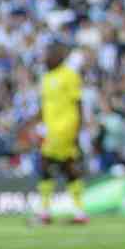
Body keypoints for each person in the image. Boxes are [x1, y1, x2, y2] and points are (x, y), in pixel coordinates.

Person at [35, 42, 88, 225]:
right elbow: (45, 105)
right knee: (68, 167)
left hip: (64, 128)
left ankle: (44, 212)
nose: (45, 59)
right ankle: (79, 212)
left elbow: (78, 103)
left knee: (45, 164)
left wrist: (78, 129)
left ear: (59, 56)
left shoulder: (69, 75)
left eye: (49, 55)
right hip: (51, 129)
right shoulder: (46, 78)